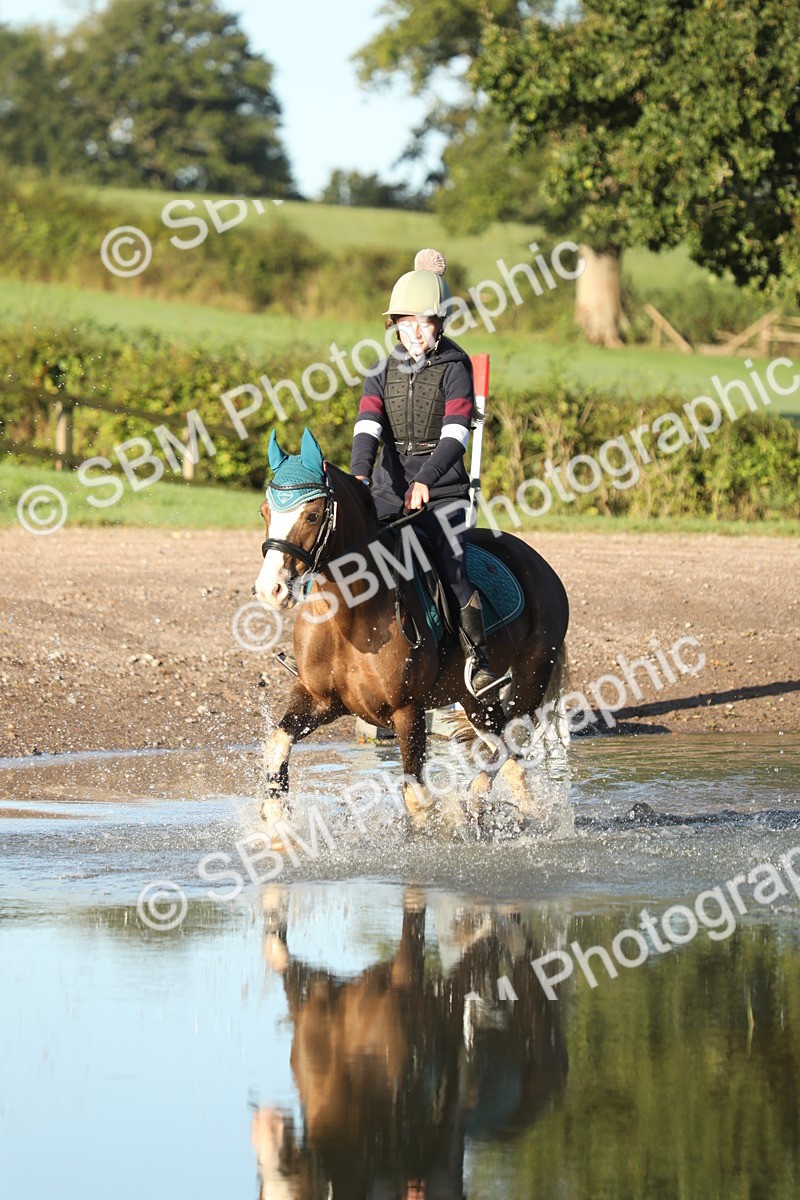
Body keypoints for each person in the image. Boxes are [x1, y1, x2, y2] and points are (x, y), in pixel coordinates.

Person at [350, 248, 503, 698]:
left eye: (424, 322)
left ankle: (478, 660)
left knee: (452, 565)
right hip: (388, 489)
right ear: (394, 323)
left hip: (444, 491)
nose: (414, 332)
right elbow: (367, 428)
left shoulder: (456, 368)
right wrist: (359, 477)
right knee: (348, 548)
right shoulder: (380, 371)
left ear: (440, 323)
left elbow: (456, 436)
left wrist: (426, 481)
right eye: (405, 322)